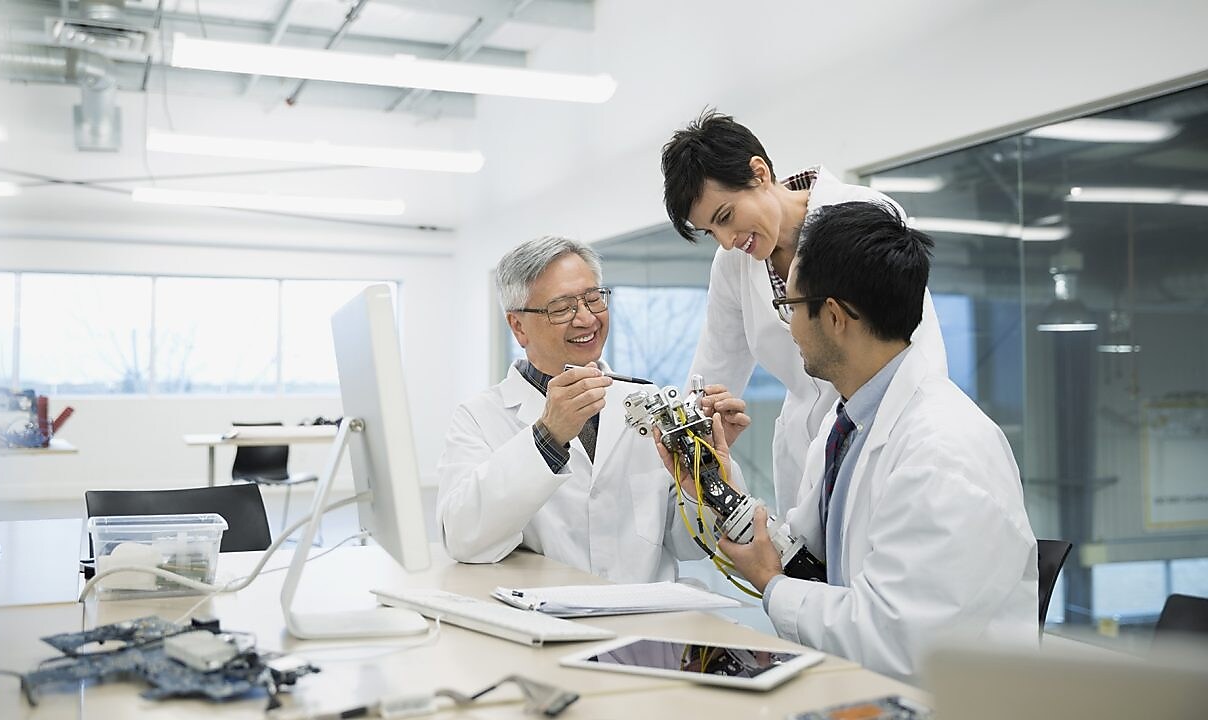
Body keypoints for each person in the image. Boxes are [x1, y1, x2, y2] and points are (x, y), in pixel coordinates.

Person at [663, 201, 1038, 681]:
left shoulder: (942, 450)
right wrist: (713, 481)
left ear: (835, 316)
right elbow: (805, 556)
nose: (788, 328)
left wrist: (771, 585)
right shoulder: (848, 423)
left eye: (789, 308)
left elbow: (901, 640)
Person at [661, 110, 949, 513]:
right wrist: (690, 435)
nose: (726, 241)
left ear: (759, 173)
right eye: (712, 231)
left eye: (726, 217)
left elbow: (918, 346)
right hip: (804, 451)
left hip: (888, 434)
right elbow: (712, 370)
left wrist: (924, 441)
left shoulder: (860, 212)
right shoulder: (732, 265)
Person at [435, 236, 743, 583]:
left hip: (648, 623)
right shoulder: (479, 418)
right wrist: (547, 438)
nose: (586, 319)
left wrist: (707, 468)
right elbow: (463, 538)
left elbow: (690, 545)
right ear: (518, 326)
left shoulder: (647, 402)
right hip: (549, 625)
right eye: (562, 308)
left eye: (594, 299)